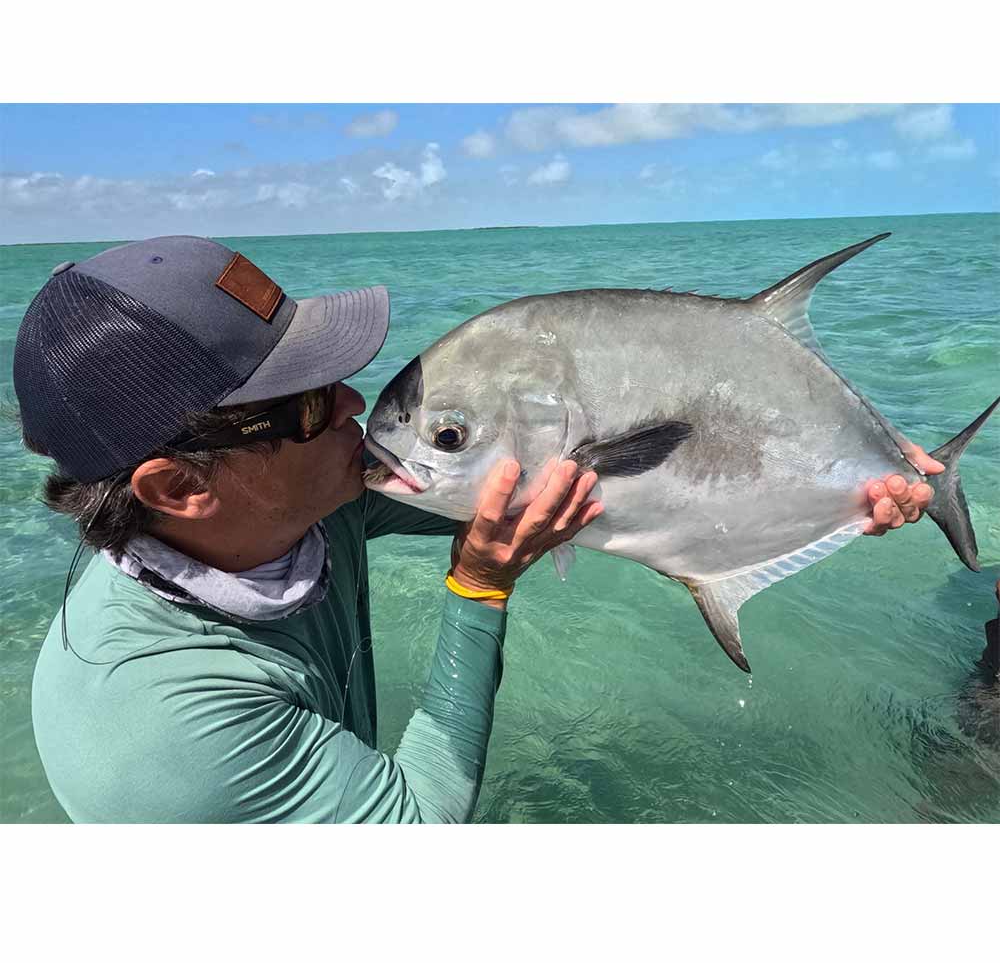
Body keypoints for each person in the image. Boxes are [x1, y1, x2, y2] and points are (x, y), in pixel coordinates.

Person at [13, 236, 939, 823]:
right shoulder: (166, 731)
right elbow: (415, 830)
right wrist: (478, 588)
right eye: (305, 406)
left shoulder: (284, 510)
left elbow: (552, 489)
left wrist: (831, 487)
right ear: (178, 486)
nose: (353, 408)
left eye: (332, 375)